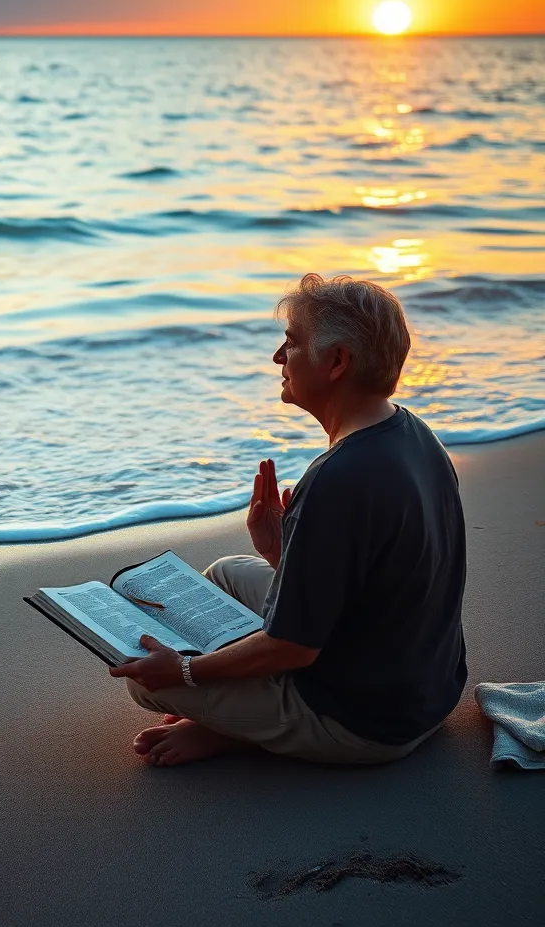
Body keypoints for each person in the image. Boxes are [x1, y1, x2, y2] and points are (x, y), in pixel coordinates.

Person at [110, 273, 467, 766]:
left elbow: (293, 648)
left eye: (293, 343)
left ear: (337, 361)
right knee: (226, 574)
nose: (279, 358)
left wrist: (188, 674)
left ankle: (243, 731)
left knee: (144, 682)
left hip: (367, 724)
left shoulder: (337, 480)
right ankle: (244, 718)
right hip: (428, 691)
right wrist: (284, 551)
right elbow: (382, 580)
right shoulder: (415, 435)